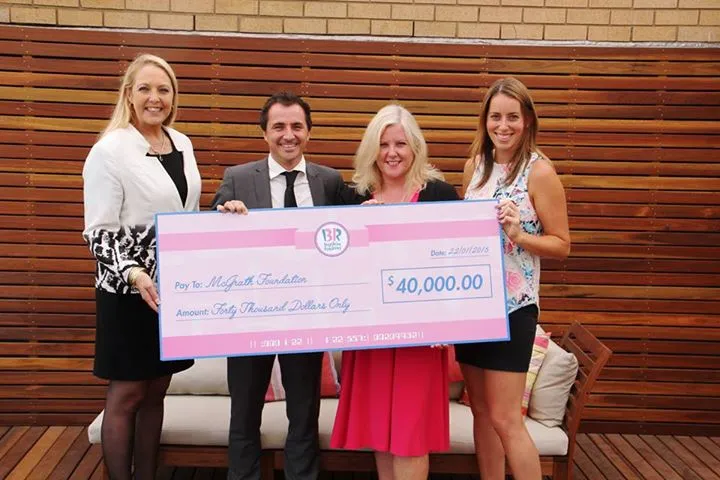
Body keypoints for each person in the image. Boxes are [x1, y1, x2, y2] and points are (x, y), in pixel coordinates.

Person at [211, 91, 349, 480]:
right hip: (249, 317)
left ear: (308, 132)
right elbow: (209, 241)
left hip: (307, 316)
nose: (288, 135)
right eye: (279, 127)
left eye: (297, 126)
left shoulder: (330, 182)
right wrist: (224, 216)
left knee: (304, 415)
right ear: (265, 133)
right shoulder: (238, 179)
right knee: (244, 414)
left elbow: (349, 238)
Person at [82, 54, 201, 480]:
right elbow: (97, 232)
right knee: (127, 395)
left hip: (171, 291)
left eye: (163, 89)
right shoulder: (109, 150)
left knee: (157, 391)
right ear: (129, 94)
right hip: (128, 291)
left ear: (173, 97)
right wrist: (134, 273)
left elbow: (186, 212)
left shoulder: (182, 143)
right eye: (146, 89)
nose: (155, 98)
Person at [330, 104, 459, 480]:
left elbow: (457, 262)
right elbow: (337, 268)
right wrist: (359, 232)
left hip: (421, 339)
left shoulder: (439, 194)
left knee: (409, 437)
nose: (391, 153)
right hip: (370, 336)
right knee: (382, 436)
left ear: (415, 147)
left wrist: (448, 321)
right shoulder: (353, 197)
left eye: (400, 143)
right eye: (383, 144)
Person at [454, 77, 571, 480]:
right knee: (481, 413)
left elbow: (562, 244)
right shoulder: (474, 167)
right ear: (484, 120)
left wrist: (520, 235)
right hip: (473, 308)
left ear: (527, 121)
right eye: (495, 117)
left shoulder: (540, 172)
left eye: (512, 117)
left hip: (513, 310)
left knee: (506, 418)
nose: (503, 126)